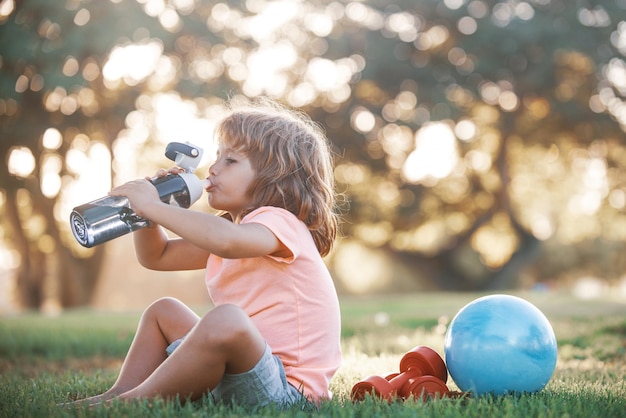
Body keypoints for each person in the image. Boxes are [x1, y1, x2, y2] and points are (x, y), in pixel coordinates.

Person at [66, 98, 342, 408]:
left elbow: (225, 241)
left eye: (231, 161)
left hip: (288, 393)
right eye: (217, 156)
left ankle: (128, 405)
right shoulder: (232, 234)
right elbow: (157, 256)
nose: (213, 168)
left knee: (227, 319)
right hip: (245, 370)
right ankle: (119, 395)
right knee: (164, 311)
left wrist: (154, 206)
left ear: (274, 175)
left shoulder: (280, 224)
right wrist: (149, 214)